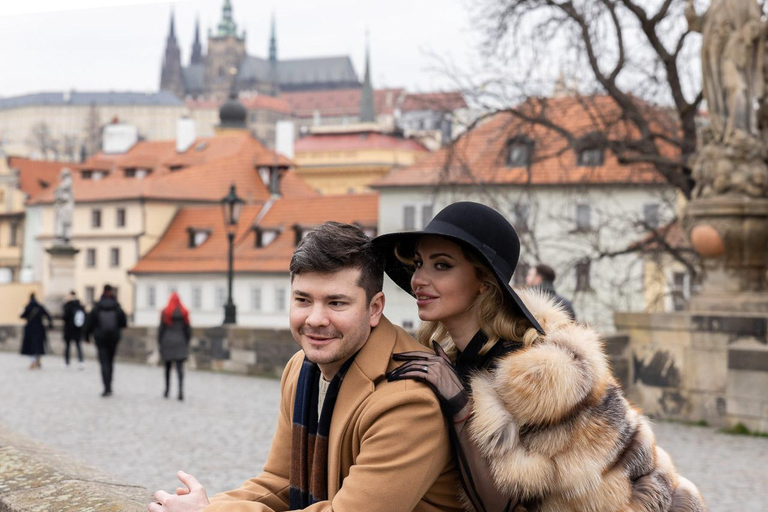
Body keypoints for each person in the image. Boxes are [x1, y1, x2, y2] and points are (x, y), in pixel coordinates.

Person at [374, 202, 706, 512]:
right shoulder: (455, 359)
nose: (419, 279)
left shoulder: (537, 375)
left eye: (441, 265)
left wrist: (461, 406)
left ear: (484, 284)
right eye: (418, 263)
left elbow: (499, 505)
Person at [148, 222, 463, 512]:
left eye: (336, 303)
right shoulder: (302, 368)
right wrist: (209, 506)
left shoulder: (408, 399)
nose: (315, 319)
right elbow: (279, 482)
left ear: (375, 308)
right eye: (302, 300)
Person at [84, 284, 127, 397]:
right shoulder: (116, 306)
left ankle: (106, 387)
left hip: (100, 337)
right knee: (111, 361)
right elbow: (123, 323)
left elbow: (89, 323)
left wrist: (87, 336)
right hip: (113, 337)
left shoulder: (97, 306)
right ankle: (110, 385)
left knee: (104, 362)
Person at [158, 292, 191, 401]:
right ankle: (180, 390)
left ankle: (167, 390)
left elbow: (161, 329)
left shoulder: (165, 312)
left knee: (167, 367)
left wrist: (160, 342)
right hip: (180, 341)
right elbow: (188, 329)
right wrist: (186, 341)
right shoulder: (184, 312)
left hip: (167, 341)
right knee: (179, 368)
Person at [20, 293, 53, 370]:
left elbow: (22, 316)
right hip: (39, 329)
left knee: (31, 346)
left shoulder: (28, 307)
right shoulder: (40, 307)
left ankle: (32, 361)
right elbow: (48, 316)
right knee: (39, 345)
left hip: (30, 329)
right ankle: (38, 360)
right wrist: (50, 326)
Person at [62, 290, 86, 369]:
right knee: (78, 346)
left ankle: (67, 362)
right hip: (77, 329)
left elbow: (64, 317)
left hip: (69, 329)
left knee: (68, 346)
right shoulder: (80, 305)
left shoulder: (67, 305)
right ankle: (81, 361)